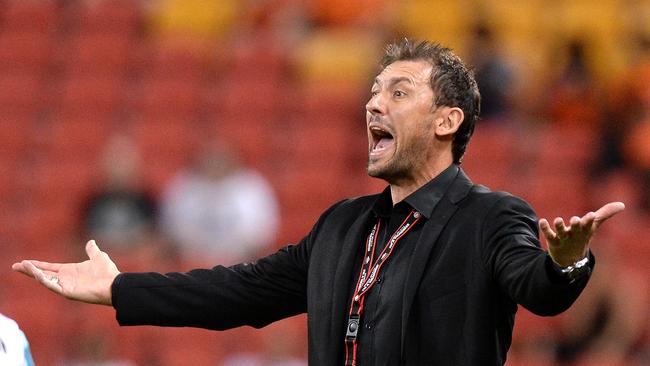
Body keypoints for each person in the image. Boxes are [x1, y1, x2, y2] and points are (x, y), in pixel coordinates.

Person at [12, 39, 625, 365]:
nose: (373, 104)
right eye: (374, 90)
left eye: (399, 91)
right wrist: (121, 289)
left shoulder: (494, 217)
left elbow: (540, 289)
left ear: (447, 121)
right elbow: (238, 294)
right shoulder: (341, 226)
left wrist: (566, 262)